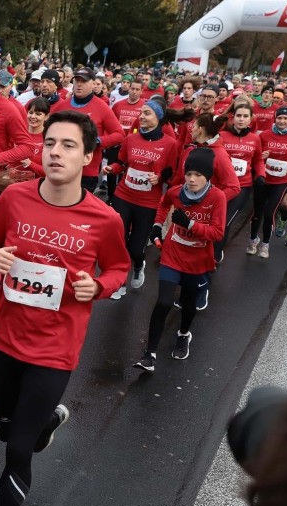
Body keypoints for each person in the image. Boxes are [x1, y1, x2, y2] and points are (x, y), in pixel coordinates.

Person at [0, 111, 130, 506]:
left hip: (55, 349)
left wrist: (98, 286)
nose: (55, 152)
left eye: (68, 145)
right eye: (50, 143)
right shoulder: (16, 198)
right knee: (7, 430)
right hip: (5, 337)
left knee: (17, 451)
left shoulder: (104, 219)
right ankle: (45, 423)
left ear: (89, 156)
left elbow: (119, 267)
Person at [133, 147, 226, 372]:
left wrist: (190, 224)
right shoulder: (176, 192)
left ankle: (184, 333)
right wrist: (157, 226)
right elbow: (163, 204)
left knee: (187, 304)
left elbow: (217, 233)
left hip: (197, 261)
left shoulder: (217, 197)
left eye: (198, 176)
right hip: (172, 255)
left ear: (208, 177)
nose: (192, 180)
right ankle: (150, 354)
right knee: (164, 301)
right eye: (189, 174)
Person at [102, 97, 179, 299]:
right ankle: (119, 283)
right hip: (123, 195)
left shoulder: (170, 143)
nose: (141, 116)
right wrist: (112, 169)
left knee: (136, 247)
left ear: (158, 118)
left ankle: (138, 263)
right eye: (141, 112)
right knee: (118, 240)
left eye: (147, 113)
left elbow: (172, 173)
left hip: (147, 203)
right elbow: (122, 163)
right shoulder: (130, 139)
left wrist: (160, 177)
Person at [52, 67, 124, 193]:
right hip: (62, 167)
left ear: (92, 83)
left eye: (83, 81)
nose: (79, 85)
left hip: (87, 172)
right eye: (77, 81)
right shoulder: (62, 106)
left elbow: (119, 134)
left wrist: (97, 141)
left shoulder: (102, 107)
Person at [248, 106, 287, 259]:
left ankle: (265, 244)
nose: (282, 121)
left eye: (285, 118)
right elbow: (255, 157)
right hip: (263, 178)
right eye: (279, 118)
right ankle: (253, 239)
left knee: (269, 213)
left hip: (282, 180)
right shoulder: (264, 136)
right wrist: (261, 156)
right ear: (275, 118)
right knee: (258, 212)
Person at [218, 102, 264, 258]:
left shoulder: (254, 139)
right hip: (221, 185)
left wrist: (261, 175)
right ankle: (212, 251)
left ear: (251, 119)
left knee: (225, 220)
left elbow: (258, 160)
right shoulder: (222, 136)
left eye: (245, 116)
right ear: (233, 117)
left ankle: (216, 254)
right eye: (238, 116)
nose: (241, 119)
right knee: (216, 220)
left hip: (242, 186)